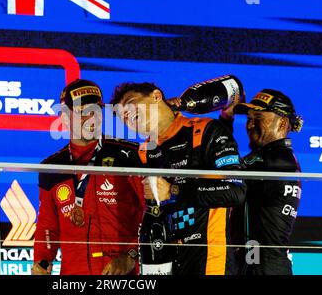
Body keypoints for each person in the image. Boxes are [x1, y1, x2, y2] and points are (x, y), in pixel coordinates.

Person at [110, 82, 247, 275]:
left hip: (210, 259)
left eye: (131, 104)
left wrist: (174, 190)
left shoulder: (206, 130)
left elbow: (236, 191)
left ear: (156, 96)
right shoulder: (144, 153)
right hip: (167, 263)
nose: (128, 116)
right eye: (122, 116)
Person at [32, 79, 144, 275]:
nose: (92, 117)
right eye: (82, 112)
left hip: (120, 274)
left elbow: (152, 213)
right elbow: (47, 226)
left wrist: (131, 255)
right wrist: (42, 260)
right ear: (65, 118)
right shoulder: (52, 167)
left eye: (97, 110)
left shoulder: (129, 155)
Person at [223, 89, 303, 275]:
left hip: (260, 266)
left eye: (258, 118)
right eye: (249, 118)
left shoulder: (274, 161)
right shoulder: (279, 158)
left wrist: (225, 121)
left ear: (282, 123)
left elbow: (224, 170)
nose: (250, 125)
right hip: (259, 263)